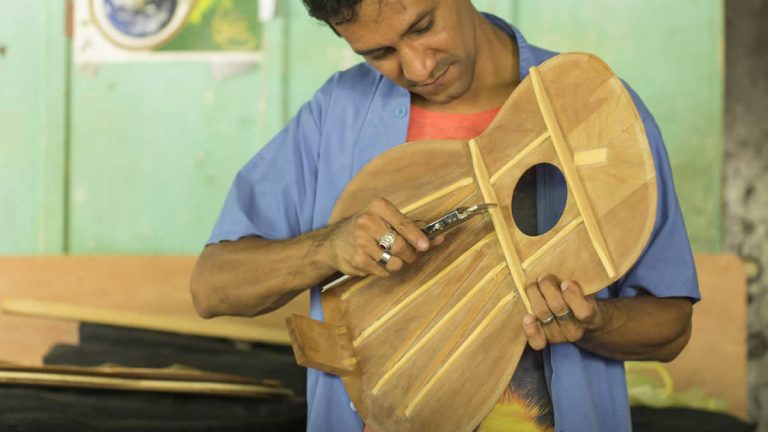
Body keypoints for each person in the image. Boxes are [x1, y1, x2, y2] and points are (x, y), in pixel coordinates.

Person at [190, 1, 700, 431]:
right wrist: (328, 246)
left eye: (423, 27)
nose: (416, 68)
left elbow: (671, 327)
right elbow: (213, 288)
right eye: (379, 53)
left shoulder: (590, 107)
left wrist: (594, 323)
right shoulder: (337, 116)